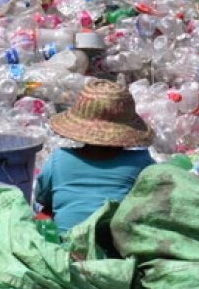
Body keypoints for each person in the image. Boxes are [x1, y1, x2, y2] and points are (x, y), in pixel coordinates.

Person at [34, 80, 156, 234]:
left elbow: (41, 198)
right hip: (116, 247)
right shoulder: (140, 162)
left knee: (42, 214)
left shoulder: (59, 159)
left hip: (67, 247)